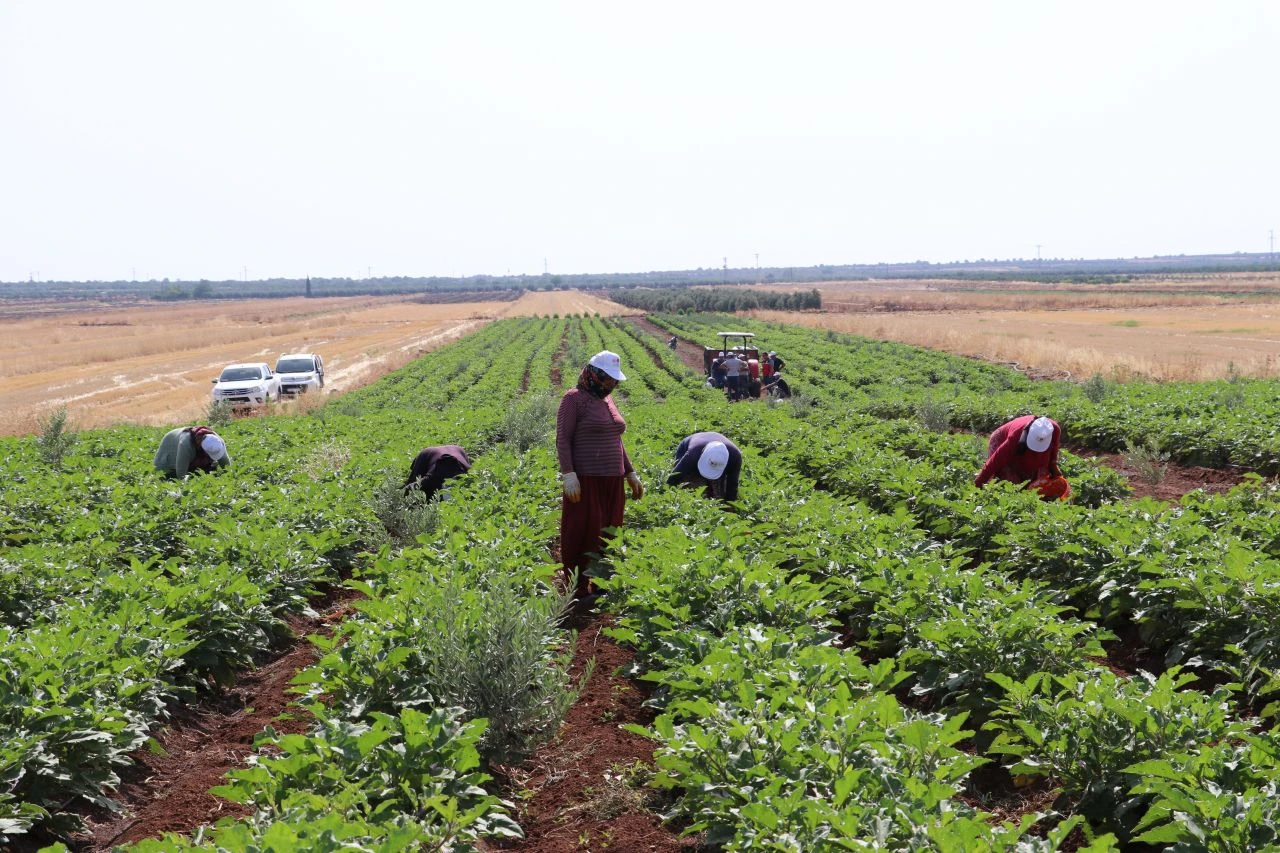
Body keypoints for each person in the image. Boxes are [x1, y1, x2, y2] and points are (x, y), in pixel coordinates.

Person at [556, 350, 644, 598]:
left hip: (612, 480)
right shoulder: (573, 399)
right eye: (608, 379)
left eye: (615, 380)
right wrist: (569, 474)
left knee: (609, 531)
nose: (612, 385)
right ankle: (579, 586)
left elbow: (615, 439)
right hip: (587, 479)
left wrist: (630, 471)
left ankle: (603, 582)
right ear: (593, 375)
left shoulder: (607, 399)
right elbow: (563, 439)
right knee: (584, 532)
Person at [974, 415, 1063, 489]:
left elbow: (1053, 454)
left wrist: (1053, 467)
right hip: (1001, 438)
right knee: (1010, 482)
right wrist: (978, 485)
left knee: (1038, 478)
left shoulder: (1055, 430)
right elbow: (994, 462)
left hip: (1020, 443)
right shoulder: (1016, 436)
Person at [667, 432, 742, 501]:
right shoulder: (692, 454)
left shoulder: (735, 458)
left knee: (720, 490)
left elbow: (732, 484)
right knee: (688, 485)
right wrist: (667, 494)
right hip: (687, 446)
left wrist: (730, 504)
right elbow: (675, 476)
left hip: (713, 446)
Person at [153, 425, 230, 479]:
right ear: (203, 450)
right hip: (170, 446)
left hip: (192, 453)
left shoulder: (217, 441)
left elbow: (227, 466)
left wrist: (228, 476)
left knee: (209, 470)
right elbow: (181, 474)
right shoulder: (186, 444)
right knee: (168, 475)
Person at [404, 444, 471, 502]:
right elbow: (412, 485)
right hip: (455, 450)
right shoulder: (466, 469)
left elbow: (410, 486)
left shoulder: (432, 476)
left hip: (455, 455)